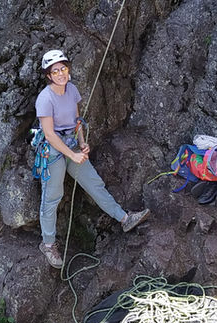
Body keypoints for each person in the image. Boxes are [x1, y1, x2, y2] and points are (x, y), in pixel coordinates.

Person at [35, 48, 149, 268]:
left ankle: (125, 219)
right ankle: (48, 244)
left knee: (94, 183)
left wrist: (82, 142)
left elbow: (77, 120)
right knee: (52, 196)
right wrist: (73, 155)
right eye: (55, 70)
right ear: (48, 75)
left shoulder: (72, 90)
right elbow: (49, 135)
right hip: (53, 150)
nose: (60, 73)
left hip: (71, 146)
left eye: (63, 68)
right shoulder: (45, 99)